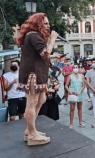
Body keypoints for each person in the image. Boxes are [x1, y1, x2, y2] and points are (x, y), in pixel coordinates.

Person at [16, 13, 58, 145]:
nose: (48, 25)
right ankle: (32, 135)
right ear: (37, 24)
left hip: (38, 74)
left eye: (48, 23)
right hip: (32, 75)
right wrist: (52, 39)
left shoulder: (35, 36)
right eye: (45, 23)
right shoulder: (33, 35)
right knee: (32, 102)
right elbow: (45, 54)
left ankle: (30, 130)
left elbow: (41, 56)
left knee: (42, 99)